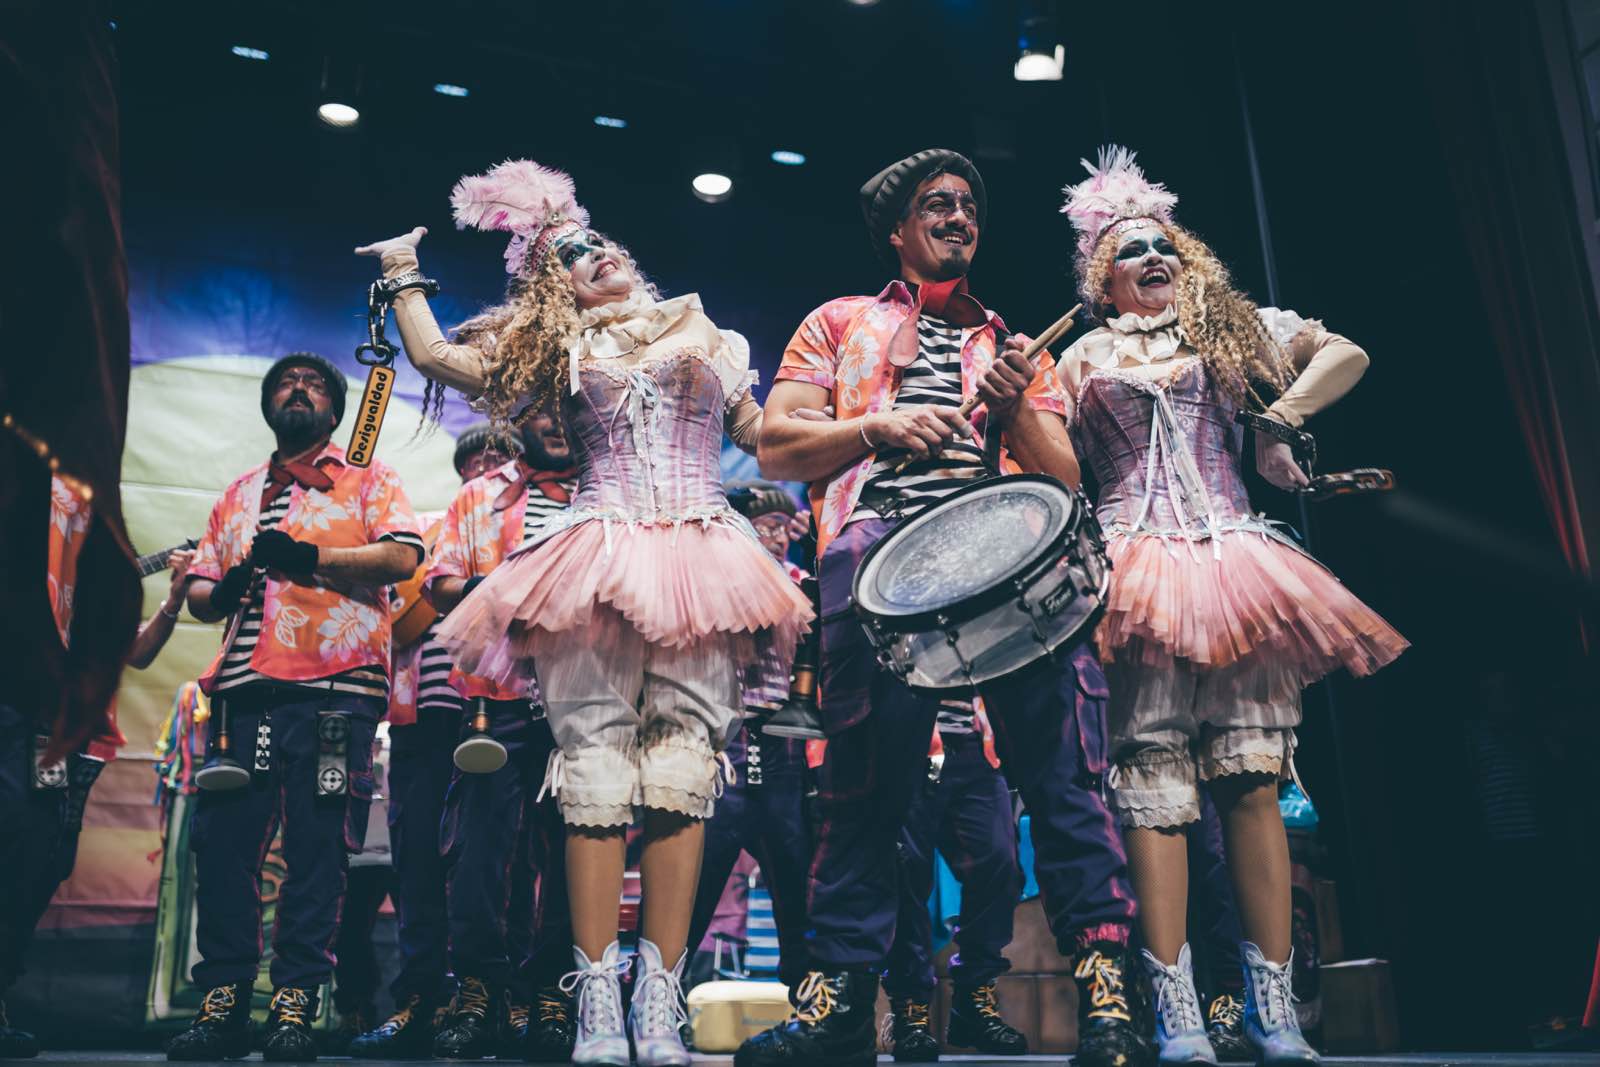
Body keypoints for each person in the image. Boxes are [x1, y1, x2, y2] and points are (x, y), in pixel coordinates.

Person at [355, 157, 810, 1067]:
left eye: (596, 241)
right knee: (596, 774)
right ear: (554, 290)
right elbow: (444, 358)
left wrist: (867, 426)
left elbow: (767, 437)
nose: (591, 253)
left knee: (682, 776)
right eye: (567, 253)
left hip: (703, 554)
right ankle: (598, 996)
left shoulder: (706, 333)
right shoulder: (556, 355)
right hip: (596, 555)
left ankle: (660, 999)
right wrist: (403, 272)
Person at [738, 148, 1149, 1067]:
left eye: (969, 204)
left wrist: (1013, 409)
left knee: (1065, 778)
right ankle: (843, 1004)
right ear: (897, 227)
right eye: (937, 203)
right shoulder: (838, 321)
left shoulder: (1013, 344)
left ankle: (1108, 1001)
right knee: (861, 788)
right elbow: (775, 445)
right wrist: (874, 427)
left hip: (1005, 554)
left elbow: (1066, 480)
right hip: (878, 551)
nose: (959, 215)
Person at [1057, 147, 1407, 1065]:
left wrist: (1278, 418)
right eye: (1131, 249)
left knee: (1251, 779)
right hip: (1133, 563)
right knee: (1155, 787)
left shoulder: (1227, 329)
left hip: (1233, 555)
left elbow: (1346, 351)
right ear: (1103, 275)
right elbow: (1048, 466)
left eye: (1163, 243)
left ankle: (1273, 1007)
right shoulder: (1081, 355)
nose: (1152, 257)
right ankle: (1175, 1007)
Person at [167, 352, 423, 1062]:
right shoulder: (239, 492)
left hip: (334, 684)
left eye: (313, 383)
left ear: (337, 409)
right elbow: (200, 594)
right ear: (268, 404)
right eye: (285, 382)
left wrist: (309, 553)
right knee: (223, 844)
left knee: (317, 846)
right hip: (244, 688)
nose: (299, 389)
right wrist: (228, 584)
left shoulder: (368, 477)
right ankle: (222, 1000)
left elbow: (404, 558)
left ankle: (294, 1003)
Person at [0, 500, 192, 1059]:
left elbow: (132, 652)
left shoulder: (86, 553)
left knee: (43, 855)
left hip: (55, 730)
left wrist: (174, 602)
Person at [422, 418, 579, 1061]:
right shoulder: (479, 496)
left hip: (585, 698)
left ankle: (550, 993)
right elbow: (438, 585)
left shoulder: (608, 493)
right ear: (520, 421)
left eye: (562, 404)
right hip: (496, 699)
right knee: (480, 854)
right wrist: (494, 589)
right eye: (539, 407)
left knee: (577, 849)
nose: (554, 419)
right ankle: (481, 991)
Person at [682, 482, 812, 997]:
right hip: (724, 749)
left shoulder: (800, 580)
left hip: (784, 750)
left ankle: (810, 1002)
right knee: (691, 888)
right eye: (767, 526)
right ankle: (655, 994)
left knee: (797, 888)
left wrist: (811, 542)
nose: (778, 537)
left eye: (784, 527)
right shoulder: (717, 577)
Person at [881, 700, 1027, 1061]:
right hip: (906, 738)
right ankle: (909, 1010)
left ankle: (974, 999)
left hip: (972, 739)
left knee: (1000, 860)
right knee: (906, 872)